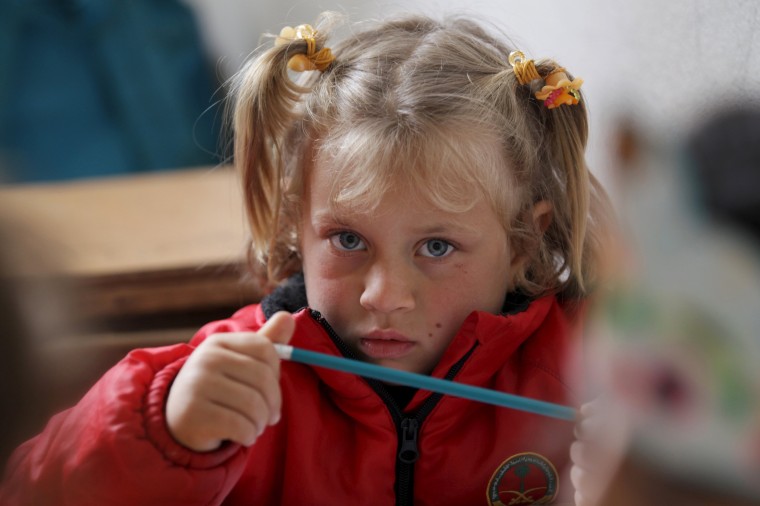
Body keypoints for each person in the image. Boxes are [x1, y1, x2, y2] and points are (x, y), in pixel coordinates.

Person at [0, 12, 610, 505]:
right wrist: (164, 431)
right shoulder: (235, 370)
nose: (382, 295)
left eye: (437, 247)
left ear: (524, 244)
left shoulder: (597, 365)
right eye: (348, 240)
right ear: (297, 224)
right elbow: (29, 490)